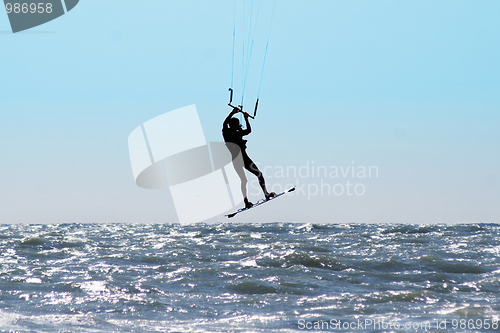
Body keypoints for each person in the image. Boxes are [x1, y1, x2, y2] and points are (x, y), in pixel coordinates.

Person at [222, 107, 275, 209]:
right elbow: (224, 123)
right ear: (232, 125)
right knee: (244, 180)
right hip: (236, 161)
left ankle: (266, 193)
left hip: (245, 159)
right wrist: (232, 113)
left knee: (259, 174)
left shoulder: (238, 132)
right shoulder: (226, 133)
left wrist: (246, 118)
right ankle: (246, 201)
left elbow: (249, 130)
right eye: (236, 124)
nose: (238, 126)